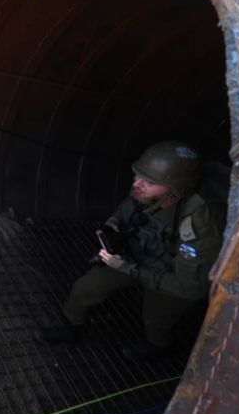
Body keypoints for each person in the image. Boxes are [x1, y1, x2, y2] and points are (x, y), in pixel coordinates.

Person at [35, 141, 226, 360]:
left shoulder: (201, 224)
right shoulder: (147, 190)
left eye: (148, 181)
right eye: (137, 175)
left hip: (171, 273)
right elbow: (127, 207)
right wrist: (113, 226)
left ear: (177, 189)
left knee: (156, 317)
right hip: (135, 255)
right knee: (83, 289)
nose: (137, 183)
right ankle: (72, 328)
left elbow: (192, 287)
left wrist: (132, 270)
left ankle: (158, 346)